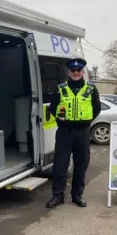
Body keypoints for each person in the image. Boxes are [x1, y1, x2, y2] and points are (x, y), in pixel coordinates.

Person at [46, 57, 101, 209]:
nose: (76, 72)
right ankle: (58, 196)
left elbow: (97, 108)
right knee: (60, 165)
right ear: (69, 72)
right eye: (73, 70)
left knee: (81, 165)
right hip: (64, 132)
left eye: (78, 70)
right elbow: (53, 107)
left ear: (82, 72)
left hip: (82, 133)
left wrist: (86, 122)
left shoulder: (90, 89)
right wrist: (61, 122)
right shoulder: (61, 88)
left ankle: (77, 196)